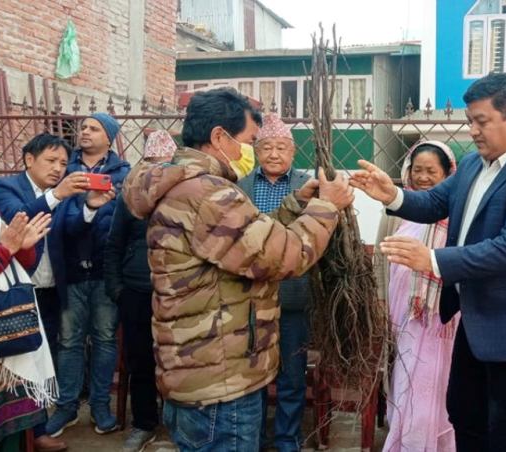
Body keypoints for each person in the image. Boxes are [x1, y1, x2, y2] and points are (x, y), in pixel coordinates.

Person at [121, 88, 354, 451]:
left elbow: (246, 241)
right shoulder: (209, 194)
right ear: (219, 137)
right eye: (248, 141)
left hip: (199, 371)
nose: (251, 150)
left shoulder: (184, 185)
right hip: (220, 381)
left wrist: (296, 204)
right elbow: (284, 256)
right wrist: (326, 208)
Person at [351, 72, 506, 452]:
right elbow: (434, 203)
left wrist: (432, 259)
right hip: (475, 317)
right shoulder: (472, 164)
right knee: (464, 413)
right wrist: (393, 196)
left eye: (481, 121)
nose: (472, 130)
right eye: (470, 121)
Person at [0, 133, 94, 452]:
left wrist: (90, 207)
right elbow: (17, 221)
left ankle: (34, 430)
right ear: (29, 159)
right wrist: (55, 196)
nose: (58, 168)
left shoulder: (59, 193)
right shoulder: (7, 190)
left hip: (40, 292)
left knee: (33, 361)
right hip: (3, 303)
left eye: (63, 162)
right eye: (51, 160)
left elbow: (30, 243)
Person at [46, 112, 130, 437]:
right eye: (83, 127)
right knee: (69, 340)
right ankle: (66, 406)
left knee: (105, 339)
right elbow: (58, 219)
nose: (85, 132)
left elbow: (126, 222)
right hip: (69, 270)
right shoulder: (64, 171)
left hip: (105, 271)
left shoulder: (123, 174)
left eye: (94, 128)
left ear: (109, 137)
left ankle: (100, 406)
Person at [374, 140, 458, 452]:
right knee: (405, 378)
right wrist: (381, 299)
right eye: (417, 170)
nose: (422, 177)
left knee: (437, 383)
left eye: (431, 171)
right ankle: (406, 440)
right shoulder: (395, 210)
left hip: (442, 319)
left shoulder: (456, 212)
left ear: (448, 175)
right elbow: (380, 258)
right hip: (403, 314)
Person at [237, 114, 313, 452]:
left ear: (293, 152)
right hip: (249, 297)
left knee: (292, 372)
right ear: (256, 151)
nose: (274, 154)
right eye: (267, 147)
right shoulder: (240, 187)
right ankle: (251, 437)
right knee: (251, 370)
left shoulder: (307, 186)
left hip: (293, 293)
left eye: (281, 147)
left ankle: (286, 438)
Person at [104, 130, 177, 452]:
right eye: (151, 164)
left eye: (165, 165)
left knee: (179, 361)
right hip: (136, 292)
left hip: (177, 293)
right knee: (141, 361)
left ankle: (179, 425)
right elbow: (113, 245)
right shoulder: (129, 199)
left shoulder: (184, 195)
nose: (157, 171)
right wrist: (117, 290)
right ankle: (145, 423)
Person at [0, 155, 55, 451]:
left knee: (11, 422)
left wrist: (23, 247)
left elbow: (17, 262)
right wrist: (6, 250)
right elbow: (2, 253)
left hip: (5, 334)